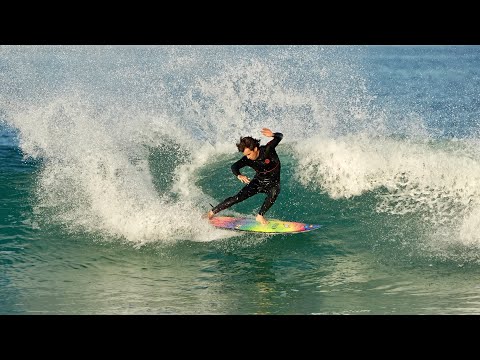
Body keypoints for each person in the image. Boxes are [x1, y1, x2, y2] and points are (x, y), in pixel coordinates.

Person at [207, 128, 283, 225]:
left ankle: (260, 216)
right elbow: (234, 166)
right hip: (258, 181)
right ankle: (211, 212)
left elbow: (279, 137)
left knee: (274, 191)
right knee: (237, 198)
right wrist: (239, 175)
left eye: (249, 154)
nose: (247, 157)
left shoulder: (268, 149)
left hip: (273, 182)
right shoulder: (247, 159)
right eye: (245, 155)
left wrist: (273, 134)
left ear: (255, 149)